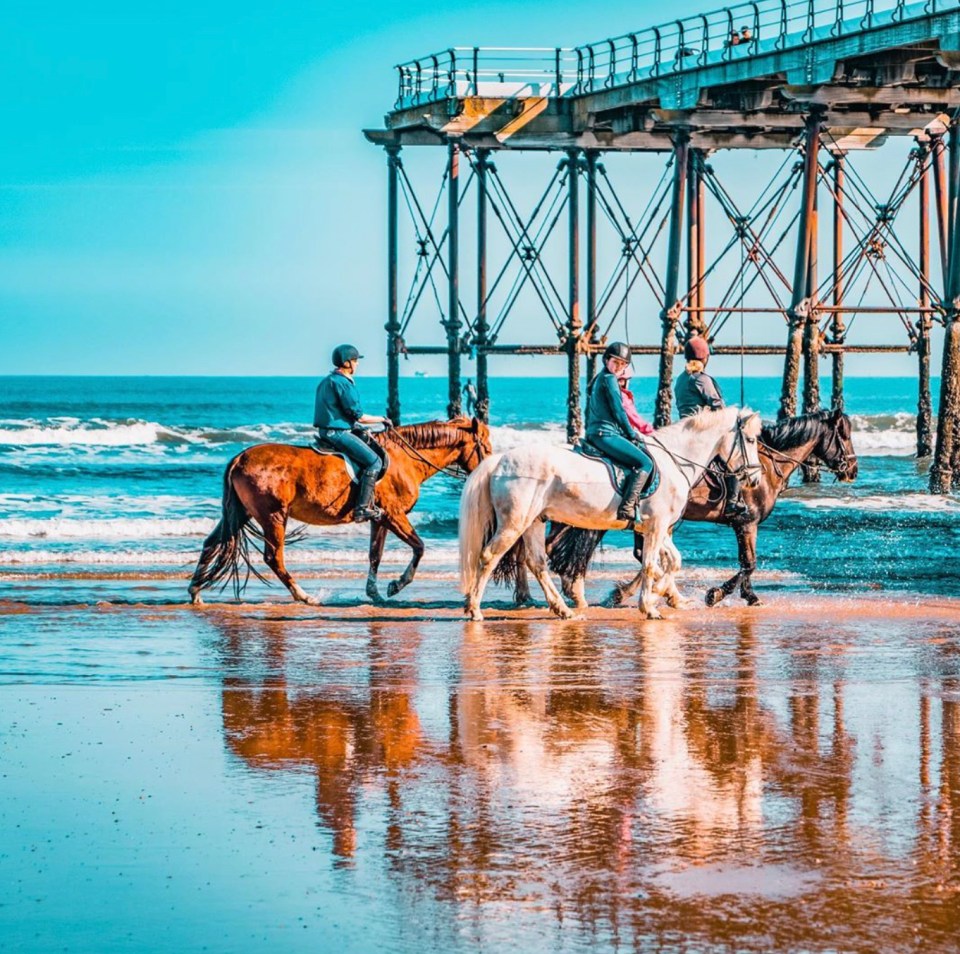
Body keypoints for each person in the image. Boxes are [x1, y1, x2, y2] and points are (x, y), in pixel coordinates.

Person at [313, 344, 392, 523]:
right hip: (337, 433)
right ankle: (362, 508)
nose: (357, 364)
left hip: (326, 430)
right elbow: (360, 416)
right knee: (374, 462)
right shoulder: (343, 383)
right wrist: (382, 419)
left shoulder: (327, 380)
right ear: (347, 363)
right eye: (355, 361)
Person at [674, 336, 750, 519]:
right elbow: (718, 407)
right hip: (701, 431)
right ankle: (732, 502)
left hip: (685, 428)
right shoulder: (702, 379)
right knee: (732, 458)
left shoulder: (681, 379)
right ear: (705, 358)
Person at [584, 342, 655, 524]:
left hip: (596, 432)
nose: (619, 367)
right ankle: (627, 507)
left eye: (623, 364)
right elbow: (618, 411)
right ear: (607, 359)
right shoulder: (609, 380)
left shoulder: (600, 377)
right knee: (645, 463)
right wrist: (631, 434)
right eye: (616, 362)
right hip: (605, 434)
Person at [617, 365, 654, 437]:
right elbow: (633, 417)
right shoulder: (622, 396)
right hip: (617, 433)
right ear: (622, 381)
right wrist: (650, 431)